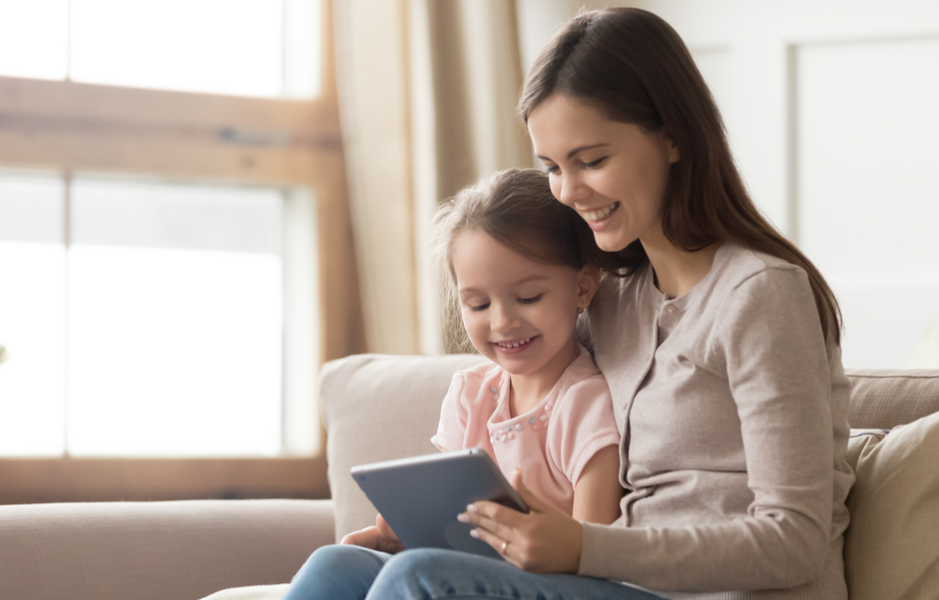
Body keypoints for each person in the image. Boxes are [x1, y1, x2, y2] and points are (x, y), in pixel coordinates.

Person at [297, 6, 855, 600]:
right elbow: (529, 390)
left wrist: (585, 547)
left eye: (592, 161)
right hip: (615, 585)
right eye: (554, 167)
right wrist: (434, 528)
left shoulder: (759, 295)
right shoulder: (614, 300)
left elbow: (795, 540)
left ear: (672, 136)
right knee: (342, 568)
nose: (569, 191)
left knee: (419, 580)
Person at [284, 167, 626, 599]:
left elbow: (596, 553)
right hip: (475, 575)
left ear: (581, 288)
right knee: (337, 563)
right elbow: (447, 529)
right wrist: (408, 539)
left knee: (417, 572)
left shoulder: (585, 403)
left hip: (559, 585)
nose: (502, 321)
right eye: (479, 303)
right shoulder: (470, 393)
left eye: (528, 297)